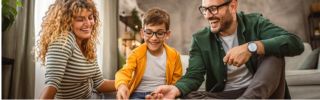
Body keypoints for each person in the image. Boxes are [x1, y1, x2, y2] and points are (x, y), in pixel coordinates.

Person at [146, 0, 304, 99]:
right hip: (223, 96)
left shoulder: (255, 23)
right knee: (188, 96)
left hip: (262, 93)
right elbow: (194, 76)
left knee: (273, 52)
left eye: (213, 9)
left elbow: (295, 43)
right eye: (205, 9)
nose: (208, 16)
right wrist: (175, 89)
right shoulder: (200, 39)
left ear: (233, 6)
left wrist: (252, 47)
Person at [37, 0, 115, 99]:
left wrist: (124, 82)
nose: (88, 23)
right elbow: (51, 84)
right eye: (80, 19)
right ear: (67, 21)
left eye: (90, 17)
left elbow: (99, 83)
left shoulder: (88, 44)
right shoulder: (63, 42)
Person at [115, 8, 183, 99]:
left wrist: (166, 94)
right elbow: (124, 72)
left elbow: (176, 81)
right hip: (137, 94)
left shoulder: (174, 55)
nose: (154, 38)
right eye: (149, 32)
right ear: (142, 33)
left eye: (159, 33)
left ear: (167, 34)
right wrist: (122, 86)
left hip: (162, 95)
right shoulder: (136, 54)